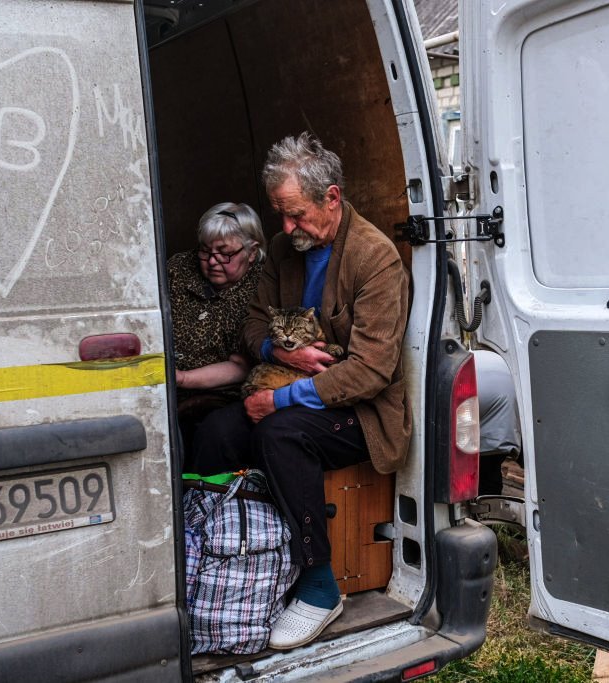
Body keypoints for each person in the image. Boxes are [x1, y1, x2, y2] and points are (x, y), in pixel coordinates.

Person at [189, 132, 411, 650]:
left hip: (364, 413)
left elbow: (371, 372)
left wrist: (279, 398)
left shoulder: (375, 259)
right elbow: (250, 326)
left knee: (281, 434)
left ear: (331, 197)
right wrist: (277, 352)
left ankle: (318, 587)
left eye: (296, 214)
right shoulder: (287, 251)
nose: (287, 229)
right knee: (217, 428)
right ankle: (222, 561)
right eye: (280, 215)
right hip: (291, 384)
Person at [167, 202, 265, 451]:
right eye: (205, 250)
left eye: (225, 253)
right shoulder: (178, 270)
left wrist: (182, 378)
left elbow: (241, 365)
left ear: (252, 251)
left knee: (203, 434)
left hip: (220, 397)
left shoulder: (263, 288)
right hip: (167, 388)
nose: (212, 261)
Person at [473, 348, 522, 496]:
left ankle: (485, 506)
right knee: (490, 464)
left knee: (485, 469)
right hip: (505, 384)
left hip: (479, 390)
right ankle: (489, 505)